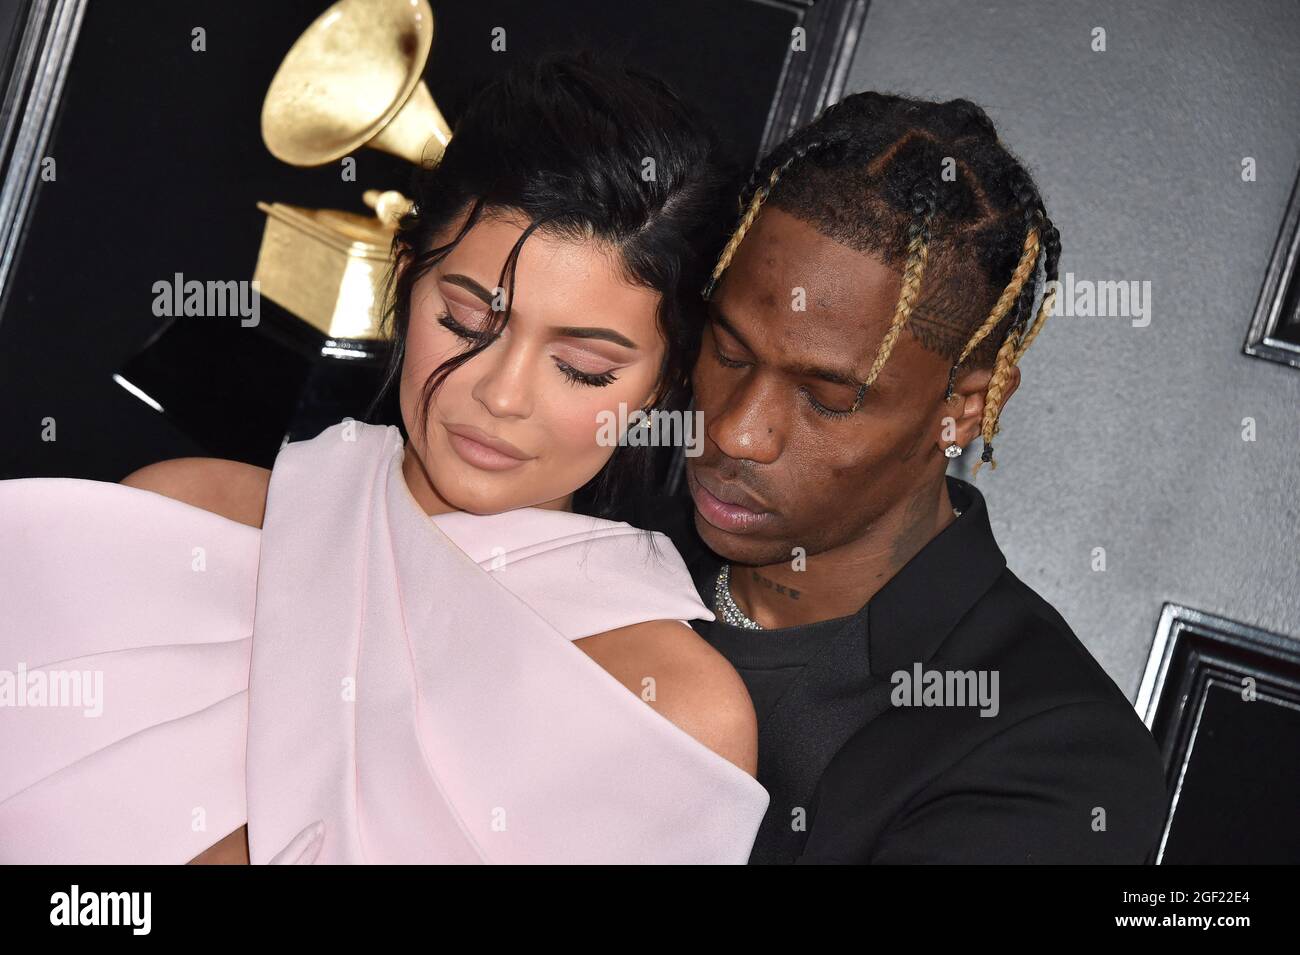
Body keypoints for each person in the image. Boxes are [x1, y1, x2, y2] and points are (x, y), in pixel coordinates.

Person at [0, 52, 768, 864]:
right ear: (403, 282)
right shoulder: (179, 518)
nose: (501, 394)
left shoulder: (671, 715)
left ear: (661, 385)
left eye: (582, 368)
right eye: (469, 320)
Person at [619, 91, 1171, 863]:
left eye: (827, 397)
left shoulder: (1050, 753)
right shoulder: (602, 520)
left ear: (964, 410)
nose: (738, 430)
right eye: (731, 352)